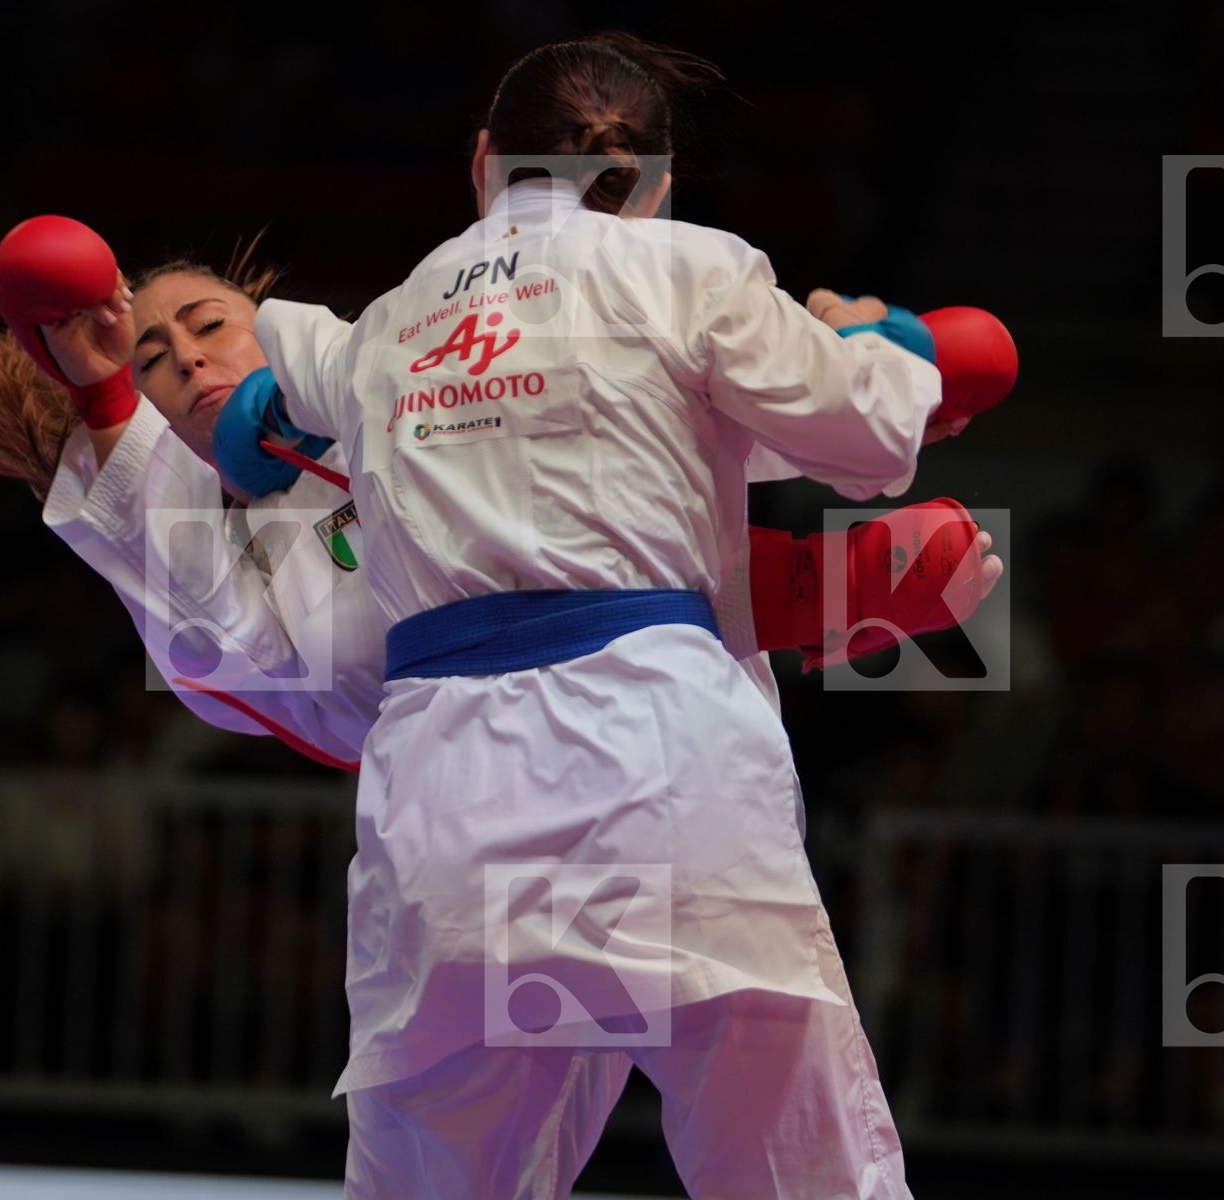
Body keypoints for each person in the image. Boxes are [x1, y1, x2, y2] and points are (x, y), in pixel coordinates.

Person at [247, 31, 982, 1199]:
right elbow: (863, 439)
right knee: (797, 1174)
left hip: (448, 796)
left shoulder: (390, 323)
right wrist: (881, 344)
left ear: (483, 160)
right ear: (658, 187)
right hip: (663, 769)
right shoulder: (691, 268)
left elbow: (287, 364)